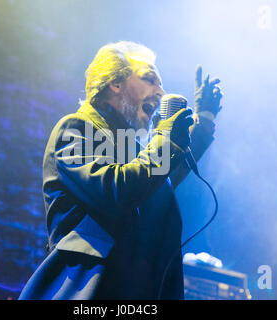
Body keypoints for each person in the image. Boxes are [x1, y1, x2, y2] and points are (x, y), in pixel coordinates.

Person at [19, 41, 223, 299]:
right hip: (92, 290)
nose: (161, 92)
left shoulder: (134, 148)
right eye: (150, 80)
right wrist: (164, 138)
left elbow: (159, 181)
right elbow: (119, 189)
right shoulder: (75, 129)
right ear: (115, 83)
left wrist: (203, 121)